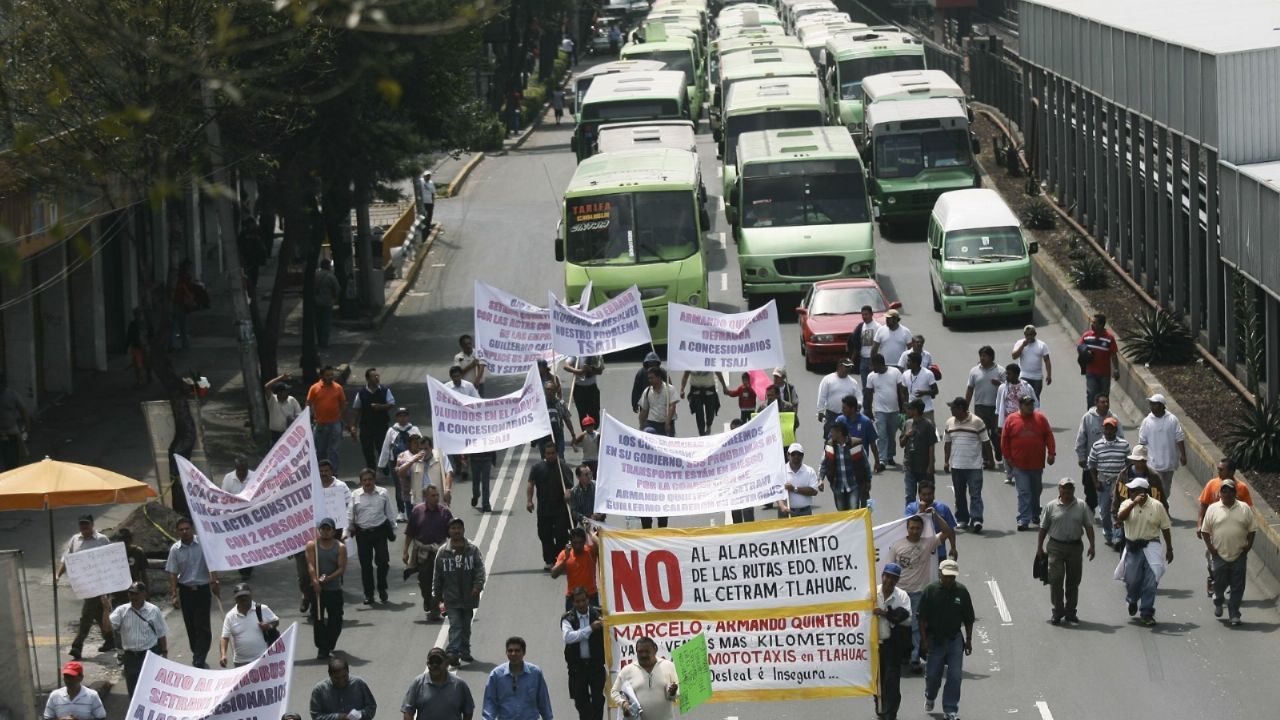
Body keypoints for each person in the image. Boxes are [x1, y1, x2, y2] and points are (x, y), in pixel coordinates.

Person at [886, 513, 955, 673]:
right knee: (898, 625)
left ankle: (915, 659)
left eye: (918, 528)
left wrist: (935, 515)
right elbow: (890, 570)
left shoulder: (928, 543)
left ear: (922, 529)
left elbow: (947, 531)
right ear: (907, 529)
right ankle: (901, 656)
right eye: (912, 528)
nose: (915, 531)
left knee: (917, 626)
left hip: (918, 593)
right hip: (899, 594)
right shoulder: (897, 546)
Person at [918, 559, 975, 720]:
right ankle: (930, 696)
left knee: (955, 675)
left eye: (952, 577)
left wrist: (969, 640)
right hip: (935, 640)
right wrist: (924, 640)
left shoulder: (962, 592)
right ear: (940, 574)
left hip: (955, 639)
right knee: (933, 675)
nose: (949, 579)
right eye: (946, 576)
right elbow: (921, 618)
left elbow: (969, 618)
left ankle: (950, 709)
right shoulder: (930, 591)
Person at [1036, 479, 1096, 625]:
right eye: (1064, 488)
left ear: (1074, 490)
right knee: (1055, 579)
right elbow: (1043, 528)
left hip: (1075, 547)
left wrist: (1092, 545)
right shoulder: (1051, 506)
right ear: (1059, 489)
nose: (1067, 491)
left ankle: (1070, 612)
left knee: (1073, 581)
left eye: (1069, 488)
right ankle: (1057, 610)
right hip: (1055, 547)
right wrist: (1039, 548)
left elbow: (1088, 526)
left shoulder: (1081, 506)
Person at [1117, 477, 1173, 625]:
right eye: (1130, 490)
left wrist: (1169, 548)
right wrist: (1133, 504)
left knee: (1151, 580)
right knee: (1132, 580)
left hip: (1151, 545)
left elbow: (1165, 528)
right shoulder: (1126, 504)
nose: (1130, 492)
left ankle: (1147, 612)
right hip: (1133, 547)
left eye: (1134, 490)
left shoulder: (1157, 506)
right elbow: (1120, 517)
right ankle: (1132, 599)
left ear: (1143, 492)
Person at [1200, 478, 1256, 626]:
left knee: (1238, 586)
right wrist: (1211, 548)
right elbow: (1205, 531)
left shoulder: (1244, 508)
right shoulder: (1213, 509)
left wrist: (1249, 545)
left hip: (1239, 554)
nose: (1226, 493)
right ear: (1220, 493)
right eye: (1223, 490)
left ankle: (1234, 614)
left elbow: (1252, 530)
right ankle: (1218, 601)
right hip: (1219, 554)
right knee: (1219, 583)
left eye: (1229, 490)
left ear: (1234, 492)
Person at [58, 514, 115, 659]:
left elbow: (112, 559)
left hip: (99, 583)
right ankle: (110, 639)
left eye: (86, 524)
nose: (84, 528)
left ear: (92, 524)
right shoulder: (75, 540)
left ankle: (77, 646)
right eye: (81, 525)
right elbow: (67, 559)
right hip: (84, 584)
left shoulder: (102, 540)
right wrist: (57, 575)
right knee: (97, 612)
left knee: (86, 615)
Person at [165, 516, 218, 668]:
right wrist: (174, 594)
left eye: (187, 528)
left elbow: (212, 564)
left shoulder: (203, 544)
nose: (184, 532)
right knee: (191, 625)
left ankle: (200, 657)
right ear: (177, 532)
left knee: (202, 625)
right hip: (186, 591)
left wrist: (215, 581)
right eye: (181, 530)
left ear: (192, 529)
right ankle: (197, 652)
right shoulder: (175, 550)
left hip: (202, 590)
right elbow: (173, 574)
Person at [434, 517, 487, 666]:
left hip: (469, 597)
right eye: (453, 528)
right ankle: (452, 653)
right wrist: (436, 596)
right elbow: (437, 575)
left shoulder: (472, 549)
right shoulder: (443, 552)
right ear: (449, 531)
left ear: (463, 530)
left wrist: (478, 586)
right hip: (451, 597)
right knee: (456, 624)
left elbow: (479, 570)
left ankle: (465, 651)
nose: (456, 531)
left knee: (465, 625)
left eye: (459, 528)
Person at [1196, 458, 1253, 597]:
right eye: (1218, 468)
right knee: (1212, 561)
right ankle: (1214, 579)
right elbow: (1203, 505)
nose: (1219, 471)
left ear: (1232, 472)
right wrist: (1200, 524)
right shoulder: (1212, 484)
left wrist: (1247, 536)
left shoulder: (1242, 488)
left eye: (1222, 469)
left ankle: (1229, 585)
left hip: (1234, 535)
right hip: (1215, 532)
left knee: (1234, 564)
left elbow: (1248, 511)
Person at [1002, 395, 1056, 531]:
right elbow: (1004, 440)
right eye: (1027, 404)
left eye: (1031, 404)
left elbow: (1049, 435)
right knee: (1024, 491)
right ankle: (1023, 519)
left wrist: (1051, 453)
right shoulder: (1011, 420)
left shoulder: (1040, 419)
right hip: (1019, 465)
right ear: (1020, 405)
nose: (1030, 407)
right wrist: (1007, 457)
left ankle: (1035, 513)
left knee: (1036, 490)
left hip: (1036, 464)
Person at [942, 397, 993, 532]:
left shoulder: (977, 422)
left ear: (960, 409)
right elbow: (947, 443)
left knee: (975, 493)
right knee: (959, 494)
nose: (950, 410)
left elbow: (986, 442)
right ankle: (962, 519)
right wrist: (946, 461)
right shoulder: (949, 423)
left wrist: (990, 460)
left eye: (952, 408)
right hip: (956, 465)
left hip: (974, 466)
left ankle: (976, 519)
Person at [109, 581, 168, 697]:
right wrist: (105, 609)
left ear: (143, 594)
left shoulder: (153, 610)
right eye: (131, 593)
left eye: (136, 594)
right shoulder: (121, 611)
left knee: (150, 688)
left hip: (149, 654)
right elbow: (107, 628)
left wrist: (164, 653)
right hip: (130, 657)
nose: (133, 597)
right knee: (133, 690)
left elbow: (161, 633)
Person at [404, 485, 452, 620]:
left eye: (437, 495)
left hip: (440, 552)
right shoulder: (417, 511)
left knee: (440, 581)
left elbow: (453, 532)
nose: (436, 498)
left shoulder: (444, 512)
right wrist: (405, 551)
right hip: (423, 553)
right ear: (426, 497)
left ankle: (436, 607)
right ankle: (427, 599)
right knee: (425, 581)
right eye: (433, 496)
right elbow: (410, 533)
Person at [350, 468, 394, 604]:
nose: (367, 482)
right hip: (362, 533)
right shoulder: (355, 495)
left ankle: (382, 588)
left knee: (383, 561)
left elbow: (389, 512)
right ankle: (369, 594)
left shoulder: (383, 493)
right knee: (366, 565)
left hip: (380, 531)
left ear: (374, 480)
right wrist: (348, 530)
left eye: (370, 479)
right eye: (364, 480)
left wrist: (393, 529)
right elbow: (349, 515)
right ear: (361, 481)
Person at [1073, 394, 1123, 516]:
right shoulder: (1087, 418)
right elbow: (1081, 438)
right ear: (1096, 403)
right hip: (1092, 464)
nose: (1105, 404)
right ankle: (1090, 512)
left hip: (1109, 464)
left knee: (1109, 491)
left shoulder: (1114, 418)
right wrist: (1081, 457)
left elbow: (1121, 437)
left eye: (1107, 402)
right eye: (1102, 402)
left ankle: (1106, 513)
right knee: (1090, 490)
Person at [874, 564, 912, 720]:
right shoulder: (872, 593)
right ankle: (881, 710)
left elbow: (907, 620)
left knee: (892, 683)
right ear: (882, 575)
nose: (889, 580)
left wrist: (884, 614)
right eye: (887, 576)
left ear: (897, 580)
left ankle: (891, 714)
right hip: (874, 645)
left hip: (892, 645)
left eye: (893, 578)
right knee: (877, 683)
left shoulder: (902, 596)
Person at [482, 636, 553, 720]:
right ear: (506, 652)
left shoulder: (535, 673)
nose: (513, 654)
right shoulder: (496, 675)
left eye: (517, 651)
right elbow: (490, 704)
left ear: (524, 652)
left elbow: (544, 702)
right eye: (510, 651)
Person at [527, 443, 574, 570]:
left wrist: (567, 494)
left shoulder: (562, 467)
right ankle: (549, 560)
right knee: (544, 535)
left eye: (553, 453)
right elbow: (531, 484)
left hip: (560, 510)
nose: (551, 456)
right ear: (544, 454)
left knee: (561, 535)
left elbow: (570, 485)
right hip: (544, 510)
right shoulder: (537, 467)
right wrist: (529, 501)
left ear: (556, 453)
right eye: (548, 453)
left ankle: (559, 559)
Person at [306, 517, 347, 659]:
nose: (325, 531)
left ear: (333, 531)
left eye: (328, 529)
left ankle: (329, 643)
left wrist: (328, 579)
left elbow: (341, 568)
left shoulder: (340, 547)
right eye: (322, 528)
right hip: (318, 590)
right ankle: (322, 647)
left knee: (336, 619)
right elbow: (311, 565)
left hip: (334, 588)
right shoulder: (312, 545)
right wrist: (315, 582)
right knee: (318, 619)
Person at [562, 587, 606, 720]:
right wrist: (590, 628)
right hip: (577, 668)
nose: (581, 604)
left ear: (588, 600)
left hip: (596, 666)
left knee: (598, 700)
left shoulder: (600, 614)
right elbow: (568, 637)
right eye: (577, 601)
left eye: (583, 600)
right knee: (581, 702)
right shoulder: (567, 618)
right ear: (573, 602)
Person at [609, 636, 679, 720]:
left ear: (655, 650)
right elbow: (614, 692)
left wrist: (672, 692)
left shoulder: (668, 666)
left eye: (647, 651)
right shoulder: (627, 670)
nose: (644, 655)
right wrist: (624, 704)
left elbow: (675, 694)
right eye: (640, 652)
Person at [1087, 418, 1131, 547]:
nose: (1108, 431)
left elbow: (1129, 462)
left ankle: (1118, 536)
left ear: (1116, 430)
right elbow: (1091, 465)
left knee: (1118, 510)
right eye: (1106, 428)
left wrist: (1126, 480)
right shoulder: (1097, 446)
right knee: (1105, 512)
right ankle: (1108, 533)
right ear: (1103, 429)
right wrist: (1095, 481)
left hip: (1119, 482)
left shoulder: (1124, 445)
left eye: (1111, 428)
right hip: (1103, 482)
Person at [403, 647, 476, 720]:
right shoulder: (418, 683)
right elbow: (408, 712)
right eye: (431, 662)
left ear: (446, 663)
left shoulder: (459, 684)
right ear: (427, 664)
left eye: (438, 661)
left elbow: (468, 711)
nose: (435, 665)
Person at [994, 362, 1038, 484]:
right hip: (1007, 422)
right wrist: (998, 425)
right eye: (1006, 373)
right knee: (1006, 448)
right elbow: (998, 407)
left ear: (1017, 374)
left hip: (1022, 423)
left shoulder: (1026, 387)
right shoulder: (1002, 388)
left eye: (1009, 374)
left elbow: (1036, 404)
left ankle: (1022, 470)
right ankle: (1009, 473)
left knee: (1021, 447)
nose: (1007, 376)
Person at [1137, 393, 1186, 497]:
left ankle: (1163, 507)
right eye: (1151, 404)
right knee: (1154, 488)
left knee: (1166, 489)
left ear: (1162, 405)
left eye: (1154, 404)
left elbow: (1179, 437)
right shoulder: (1147, 421)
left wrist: (1183, 455)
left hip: (1169, 463)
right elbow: (1142, 442)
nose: (1151, 407)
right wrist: (1141, 459)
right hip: (1153, 463)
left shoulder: (1172, 419)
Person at [219, 583, 279, 667]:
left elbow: (275, 621)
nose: (243, 598)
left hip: (262, 659)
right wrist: (223, 655)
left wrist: (269, 626)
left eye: (245, 595)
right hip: (241, 663)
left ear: (251, 595)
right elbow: (224, 637)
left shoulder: (262, 609)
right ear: (235, 599)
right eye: (240, 596)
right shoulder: (230, 616)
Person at [964, 346, 1005, 463]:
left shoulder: (1000, 371)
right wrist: (965, 406)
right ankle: (986, 458)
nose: (982, 358)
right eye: (981, 355)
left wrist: (999, 383)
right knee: (982, 432)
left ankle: (998, 449)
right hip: (980, 406)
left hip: (996, 408)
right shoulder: (974, 371)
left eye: (985, 356)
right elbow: (970, 389)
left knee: (996, 433)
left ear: (991, 357)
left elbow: (1008, 388)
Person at [378, 407, 421, 520]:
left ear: (408, 416)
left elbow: (421, 444)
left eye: (405, 415)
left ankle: (415, 508)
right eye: (400, 416)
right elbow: (386, 448)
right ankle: (401, 511)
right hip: (397, 463)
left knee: (414, 484)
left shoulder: (414, 429)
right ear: (397, 418)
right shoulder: (392, 431)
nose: (403, 418)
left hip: (413, 460)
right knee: (399, 486)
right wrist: (381, 466)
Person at [866, 353, 905, 470]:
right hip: (879, 410)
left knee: (891, 435)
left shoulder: (895, 372)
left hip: (894, 410)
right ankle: (882, 459)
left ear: (880, 364)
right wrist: (868, 410)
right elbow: (868, 394)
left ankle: (890, 456)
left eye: (873, 365)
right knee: (882, 435)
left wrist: (904, 407)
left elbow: (901, 391)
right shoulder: (871, 377)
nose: (871, 368)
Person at [353, 368, 396, 471]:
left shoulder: (385, 390)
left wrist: (380, 407)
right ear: (367, 378)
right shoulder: (361, 393)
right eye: (374, 376)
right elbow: (357, 409)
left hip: (381, 426)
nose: (377, 378)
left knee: (382, 448)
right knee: (368, 451)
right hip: (366, 426)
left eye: (377, 376)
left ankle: (384, 468)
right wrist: (354, 425)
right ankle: (371, 472)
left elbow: (391, 403)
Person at [310, 656, 377, 720]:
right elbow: (316, 716)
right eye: (336, 678)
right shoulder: (319, 690)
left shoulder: (359, 684)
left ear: (348, 671)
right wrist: (338, 717)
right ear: (329, 674)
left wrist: (359, 715)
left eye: (344, 676)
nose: (341, 681)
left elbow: (372, 707)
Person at [821, 421, 869, 511]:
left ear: (839, 433)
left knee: (853, 511)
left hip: (853, 485)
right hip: (837, 486)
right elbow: (824, 464)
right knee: (842, 513)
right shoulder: (829, 446)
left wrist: (868, 481)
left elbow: (866, 464)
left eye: (832, 432)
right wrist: (821, 479)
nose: (831, 434)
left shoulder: (855, 444)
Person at [308, 365, 347, 471]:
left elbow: (343, 403)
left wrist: (340, 416)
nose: (330, 377)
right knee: (320, 450)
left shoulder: (338, 388)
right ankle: (320, 472)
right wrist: (309, 418)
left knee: (334, 450)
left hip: (335, 423)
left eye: (331, 375)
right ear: (322, 376)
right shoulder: (314, 388)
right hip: (320, 424)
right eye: (327, 375)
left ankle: (334, 472)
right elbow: (308, 404)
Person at [906, 483, 959, 561]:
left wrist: (953, 548)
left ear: (933, 494)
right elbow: (907, 526)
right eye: (924, 494)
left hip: (939, 553)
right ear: (919, 495)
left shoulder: (943, 508)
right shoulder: (911, 508)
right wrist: (920, 511)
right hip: (918, 553)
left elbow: (950, 529)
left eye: (929, 494)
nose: (926, 497)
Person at [901, 399, 938, 506]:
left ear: (916, 410)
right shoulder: (907, 423)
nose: (907, 410)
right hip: (909, 466)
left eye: (910, 408)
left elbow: (931, 446)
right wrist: (907, 435)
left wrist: (930, 466)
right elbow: (901, 443)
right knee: (910, 496)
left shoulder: (928, 425)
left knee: (927, 497)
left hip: (924, 468)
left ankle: (928, 518)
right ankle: (911, 519)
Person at [1079, 313, 1120, 407]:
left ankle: (1104, 418)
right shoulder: (1087, 336)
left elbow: (1113, 355)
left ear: (1101, 325)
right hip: (1091, 372)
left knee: (1104, 398)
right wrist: (1085, 353)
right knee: (1091, 394)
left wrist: (1116, 369)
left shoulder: (1109, 338)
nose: (1092, 324)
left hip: (1104, 374)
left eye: (1094, 322)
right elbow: (1080, 347)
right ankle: (1091, 416)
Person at [552, 527, 600, 608]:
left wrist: (588, 531)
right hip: (573, 598)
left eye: (580, 543)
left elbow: (600, 544)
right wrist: (565, 559)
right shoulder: (564, 554)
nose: (577, 546)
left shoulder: (590, 551)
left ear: (585, 541)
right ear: (570, 542)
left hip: (590, 596)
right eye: (575, 543)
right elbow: (554, 574)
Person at [845, 305, 881, 411]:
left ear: (871, 314)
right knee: (866, 388)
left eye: (866, 314)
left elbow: (879, 345)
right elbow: (856, 344)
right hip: (863, 360)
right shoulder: (861, 327)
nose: (864, 317)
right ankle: (867, 410)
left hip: (873, 360)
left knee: (875, 387)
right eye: (862, 314)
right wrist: (852, 359)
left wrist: (874, 362)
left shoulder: (877, 327)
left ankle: (878, 407)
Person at [42, 661, 106, 720]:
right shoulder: (55, 695)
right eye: (66, 676)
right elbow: (47, 718)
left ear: (81, 677)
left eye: (71, 677)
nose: (68, 680)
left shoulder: (92, 696)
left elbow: (101, 718)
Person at [816, 359, 860, 437]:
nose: (849, 369)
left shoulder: (853, 382)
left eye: (850, 367)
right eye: (846, 367)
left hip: (847, 416)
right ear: (840, 366)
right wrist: (820, 411)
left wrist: (858, 406)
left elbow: (859, 397)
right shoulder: (828, 379)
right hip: (831, 414)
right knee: (829, 438)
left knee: (846, 437)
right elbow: (822, 395)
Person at [779, 443, 820, 517]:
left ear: (803, 455)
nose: (796, 456)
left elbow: (814, 491)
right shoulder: (781, 471)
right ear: (788, 455)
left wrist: (794, 489)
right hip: (787, 512)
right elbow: (776, 492)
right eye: (793, 454)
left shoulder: (809, 471)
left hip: (805, 512)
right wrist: (782, 506)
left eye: (799, 454)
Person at [0, 371, 30, 471]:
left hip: (11, 432)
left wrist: (26, 428)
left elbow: (23, 410)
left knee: (12, 461)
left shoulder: (11, 395)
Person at [900, 351, 939, 428]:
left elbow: (935, 391)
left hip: (927, 410)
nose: (907, 363)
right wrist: (905, 405)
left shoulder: (928, 374)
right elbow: (903, 391)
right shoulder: (905, 374)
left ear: (915, 363)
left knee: (929, 432)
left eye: (909, 361)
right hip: (912, 411)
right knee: (911, 434)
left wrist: (925, 392)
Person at [1011, 324, 1052, 397]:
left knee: (1035, 398)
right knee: (1024, 398)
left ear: (1035, 334)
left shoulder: (1042, 345)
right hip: (1023, 375)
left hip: (1037, 377)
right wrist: (1022, 346)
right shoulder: (1020, 343)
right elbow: (1014, 356)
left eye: (1030, 334)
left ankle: (1036, 408)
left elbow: (1047, 360)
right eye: (1026, 334)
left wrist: (1049, 375)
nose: (1028, 336)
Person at [637, 367, 678, 435]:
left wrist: (667, 423)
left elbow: (672, 407)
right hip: (652, 423)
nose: (650, 380)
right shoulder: (647, 391)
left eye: (652, 378)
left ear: (659, 377)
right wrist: (641, 425)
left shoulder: (670, 389)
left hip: (667, 423)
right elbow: (644, 410)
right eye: (649, 378)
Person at [680, 371, 722, 436]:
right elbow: (685, 376)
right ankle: (701, 433)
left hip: (709, 390)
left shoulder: (710, 361)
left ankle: (709, 425)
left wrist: (724, 386)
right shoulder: (690, 362)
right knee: (699, 413)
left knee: (711, 412)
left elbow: (718, 373)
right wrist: (682, 389)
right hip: (696, 391)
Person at [263, 376, 302, 441]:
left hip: (289, 433)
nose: (287, 393)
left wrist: (293, 419)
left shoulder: (292, 400)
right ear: (279, 393)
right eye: (285, 391)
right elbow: (267, 386)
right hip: (275, 434)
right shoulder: (272, 400)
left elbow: (299, 414)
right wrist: (280, 378)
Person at [314, 258, 342, 349]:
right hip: (327, 303)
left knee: (318, 323)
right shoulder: (331, 277)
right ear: (328, 266)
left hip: (316, 302)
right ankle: (324, 342)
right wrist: (334, 299)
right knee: (325, 323)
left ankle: (319, 340)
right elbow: (337, 289)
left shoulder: (315, 275)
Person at [125, 307, 152, 387]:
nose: (139, 316)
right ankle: (140, 380)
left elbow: (151, 334)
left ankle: (148, 376)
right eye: (137, 315)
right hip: (137, 347)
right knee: (138, 364)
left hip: (146, 346)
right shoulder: (133, 325)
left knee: (147, 363)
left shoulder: (147, 324)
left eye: (140, 314)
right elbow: (129, 336)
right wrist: (126, 345)